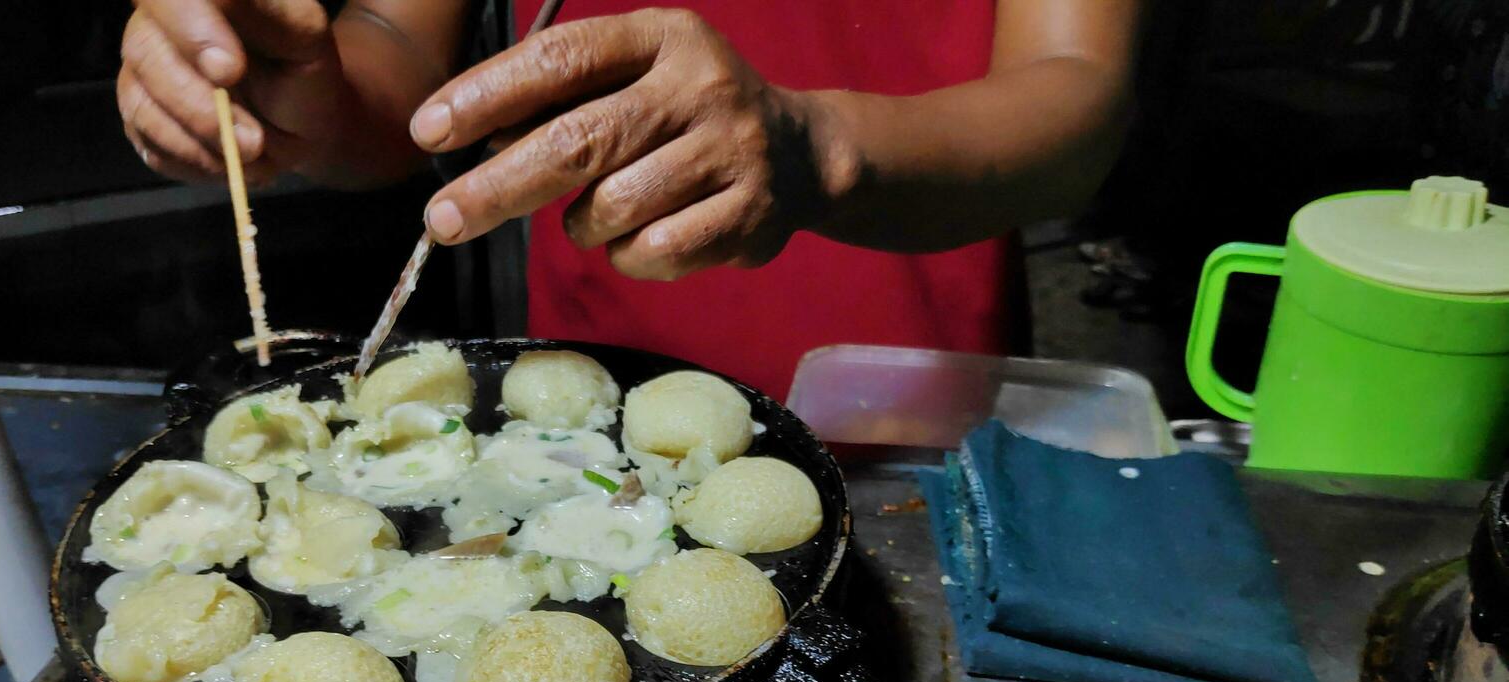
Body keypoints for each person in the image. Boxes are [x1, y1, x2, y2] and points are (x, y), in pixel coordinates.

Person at [118, 0, 1142, 397]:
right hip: (595, 399)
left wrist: (813, 145)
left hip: (913, 406)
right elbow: (391, 48)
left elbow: (1077, 101)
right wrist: (292, 89)